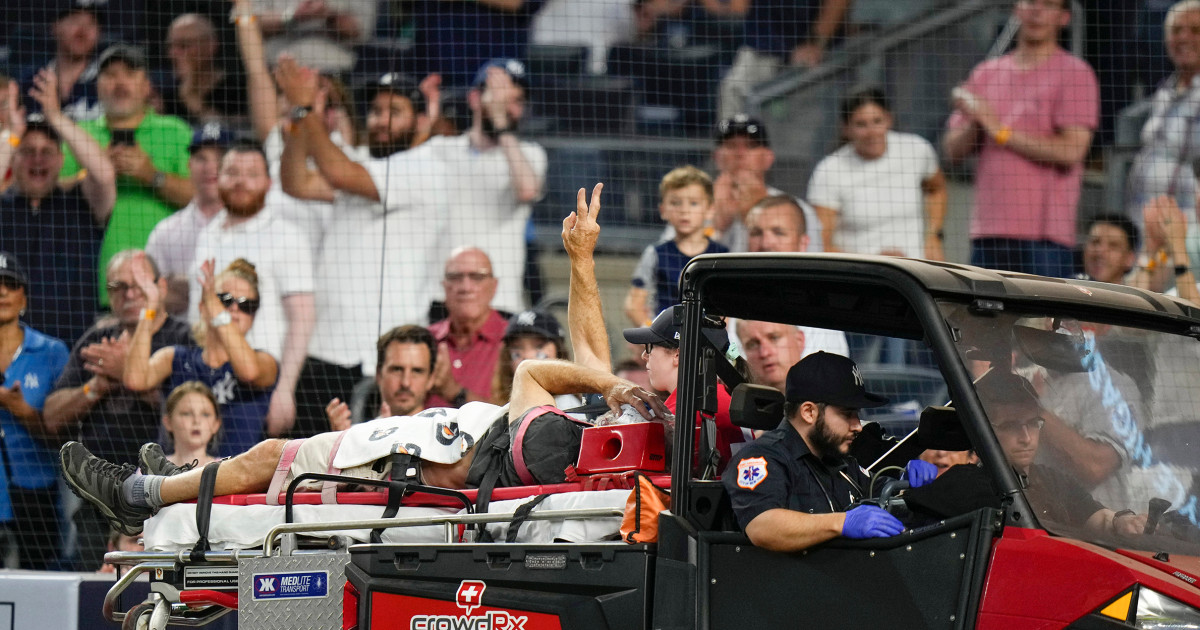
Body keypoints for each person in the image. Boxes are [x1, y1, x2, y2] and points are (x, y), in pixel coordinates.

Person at [59, 182, 668, 538]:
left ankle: (142, 493)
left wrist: (611, 384)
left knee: (279, 458)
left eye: (656, 350)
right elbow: (589, 352)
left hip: (432, 459)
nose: (642, 355)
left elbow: (535, 373)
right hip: (446, 436)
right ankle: (175, 479)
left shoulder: (602, 434)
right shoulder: (623, 423)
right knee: (275, 458)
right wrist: (583, 261)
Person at [273, 59, 448, 437]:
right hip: (323, 351)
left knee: (372, 476)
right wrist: (302, 117)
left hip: (382, 360)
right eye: (376, 110)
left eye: (395, 111)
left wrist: (306, 111)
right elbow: (295, 182)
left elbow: (337, 173)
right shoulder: (360, 161)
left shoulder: (429, 166)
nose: (381, 120)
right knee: (312, 471)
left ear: (421, 122)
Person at [43, 250, 193, 569]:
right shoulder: (98, 338)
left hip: (163, 496)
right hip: (97, 495)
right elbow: (52, 416)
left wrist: (131, 374)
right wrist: (95, 388)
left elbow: (198, 414)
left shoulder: (183, 338)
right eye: (119, 286)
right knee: (94, 593)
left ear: (161, 288)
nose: (129, 294)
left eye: (139, 285)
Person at [943, 0, 1098, 278]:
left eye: (1048, 4)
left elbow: (1071, 151)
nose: (1037, 11)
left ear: (1063, 17)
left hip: (1045, 239)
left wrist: (1000, 130)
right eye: (1030, 2)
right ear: (1017, 9)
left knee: (1046, 321)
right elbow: (952, 149)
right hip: (987, 231)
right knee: (978, 320)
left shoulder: (1076, 73)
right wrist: (977, 121)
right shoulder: (986, 72)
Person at [722, 351, 938, 552]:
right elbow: (762, 527)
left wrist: (904, 484)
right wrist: (841, 523)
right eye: (847, 413)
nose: (857, 426)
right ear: (809, 412)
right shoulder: (764, 457)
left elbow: (880, 493)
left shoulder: (841, 463)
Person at [188, 143, 314, 440]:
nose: (240, 181)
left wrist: (285, 389)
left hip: (256, 387)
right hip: (202, 381)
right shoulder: (208, 233)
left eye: (251, 174)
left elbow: (303, 318)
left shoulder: (287, 236)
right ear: (218, 178)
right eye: (232, 172)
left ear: (269, 184)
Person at [59, 44, 194, 304]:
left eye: (130, 74)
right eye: (110, 75)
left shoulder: (176, 131)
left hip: (165, 284)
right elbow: (51, 193)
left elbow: (201, 199)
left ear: (146, 86)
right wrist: (97, 173)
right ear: (97, 86)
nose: (120, 83)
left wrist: (152, 175)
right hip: (93, 281)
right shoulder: (79, 136)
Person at [0, 69, 115, 346]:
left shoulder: (81, 203)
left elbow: (104, 173)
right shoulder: (3, 205)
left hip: (72, 346)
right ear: (14, 159)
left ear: (62, 160)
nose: (37, 160)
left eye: (47, 151)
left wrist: (56, 116)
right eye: (28, 151)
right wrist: (12, 134)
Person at [423, 59, 547, 312]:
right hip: (440, 297)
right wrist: (428, 119)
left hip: (500, 302)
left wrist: (500, 119)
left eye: (517, 101)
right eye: (498, 97)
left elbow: (527, 190)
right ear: (474, 98)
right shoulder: (441, 149)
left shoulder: (530, 154)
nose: (508, 107)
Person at [125, 257, 278, 458]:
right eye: (225, 300)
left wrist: (218, 311)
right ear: (202, 307)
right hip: (175, 479)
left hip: (236, 483)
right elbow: (135, 380)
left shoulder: (265, 362)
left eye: (246, 305)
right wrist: (150, 307)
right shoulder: (175, 358)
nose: (234, 309)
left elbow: (249, 372)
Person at [808, 88, 947, 261]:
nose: (871, 132)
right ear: (846, 128)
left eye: (877, 121)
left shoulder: (916, 149)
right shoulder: (829, 170)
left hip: (918, 271)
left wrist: (934, 236)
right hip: (861, 276)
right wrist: (875, 262)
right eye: (861, 124)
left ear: (889, 119)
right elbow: (820, 244)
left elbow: (937, 189)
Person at [0, 252, 70, 569]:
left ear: (23, 296)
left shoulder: (52, 352)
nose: (2, 291)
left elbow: (65, 437)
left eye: (11, 284)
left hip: (34, 497)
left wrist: (22, 411)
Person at [624, 305, 750, 471]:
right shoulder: (730, 398)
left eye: (650, 347)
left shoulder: (682, 411)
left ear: (677, 354)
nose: (644, 356)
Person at [1126, 0, 1200, 268]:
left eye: (1195, 30)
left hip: (1189, 238)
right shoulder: (1165, 92)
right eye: (1176, 30)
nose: (1183, 38)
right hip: (1147, 234)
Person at [734, 196, 849, 358]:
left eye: (779, 232)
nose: (766, 243)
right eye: (756, 233)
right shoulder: (730, 305)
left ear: (803, 244)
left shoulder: (821, 311)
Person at [144, 123, 234, 316]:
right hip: (181, 337)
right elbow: (149, 296)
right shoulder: (165, 232)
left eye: (220, 159)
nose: (210, 167)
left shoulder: (251, 226)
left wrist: (189, 285)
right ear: (189, 165)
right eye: (201, 158)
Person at [626, 166, 729, 326]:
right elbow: (633, 305)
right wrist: (652, 334)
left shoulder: (721, 255)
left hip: (708, 339)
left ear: (710, 209)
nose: (684, 211)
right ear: (663, 210)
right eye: (675, 203)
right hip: (666, 340)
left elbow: (727, 308)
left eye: (693, 203)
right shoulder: (656, 253)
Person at [704, 116, 821, 254]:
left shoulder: (797, 210)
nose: (740, 154)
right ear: (716, 157)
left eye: (751, 146)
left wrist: (757, 210)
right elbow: (676, 262)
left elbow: (812, 263)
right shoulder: (694, 205)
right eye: (731, 146)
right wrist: (716, 227)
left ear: (768, 158)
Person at [717, 0, 850, 120]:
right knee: (733, 92)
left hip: (813, 54)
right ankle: (729, 145)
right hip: (761, 45)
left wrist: (815, 42)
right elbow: (738, 7)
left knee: (802, 122)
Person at [426, 248, 509, 409]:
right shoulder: (424, 341)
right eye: (455, 277)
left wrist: (455, 393)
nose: (466, 287)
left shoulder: (514, 342)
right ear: (444, 286)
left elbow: (521, 416)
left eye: (477, 277)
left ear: (494, 286)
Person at [325, 325, 439, 430]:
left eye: (417, 371)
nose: (406, 382)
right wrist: (342, 444)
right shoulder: (356, 437)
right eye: (397, 369)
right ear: (379, 374)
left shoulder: (446, 440)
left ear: (431, 378)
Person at [158, 14, 249, 126]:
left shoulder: (240, 93)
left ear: (211, 46)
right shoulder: (166, 99)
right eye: (170, 47)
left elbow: (221, 135)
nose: (173, 54)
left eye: (183, 45)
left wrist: (197, 105)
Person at [20, 0, 103, 121]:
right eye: (74, 21)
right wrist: (11, 139)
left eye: (91, 23)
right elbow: (11, 136)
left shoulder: (110, 82)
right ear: (55, 27)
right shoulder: (31, 82)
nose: (82, 31)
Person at [492, 310, 586, 414]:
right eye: (517, 348)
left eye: (539, 346)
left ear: (559, 351)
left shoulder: (567, 405)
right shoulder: (502, 407)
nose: (527, 356)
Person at [250, 0, 377, 74]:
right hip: (276, 70)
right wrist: (293, 17)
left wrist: (329, 14)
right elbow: (247, 23)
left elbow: (361, 32)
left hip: (333, 72)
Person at [154, 381, 223, 471]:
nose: (196, 421)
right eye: (186, 413)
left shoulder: (225, 470)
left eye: (205, 414)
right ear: (168, 422)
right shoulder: (150, 470)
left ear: (216, 424)